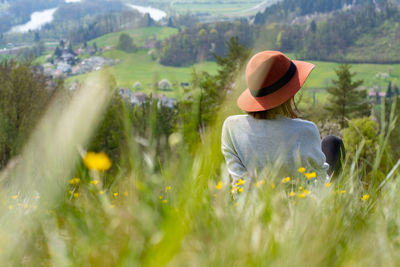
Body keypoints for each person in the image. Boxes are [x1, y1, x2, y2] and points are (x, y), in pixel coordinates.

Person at [221, 51, 344, 184]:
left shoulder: (231, 127)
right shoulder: (306, 130)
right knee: (332, 143)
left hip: (247, 200)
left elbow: (238, 177)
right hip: (302, 199)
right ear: (289, 93)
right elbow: (319, 178)